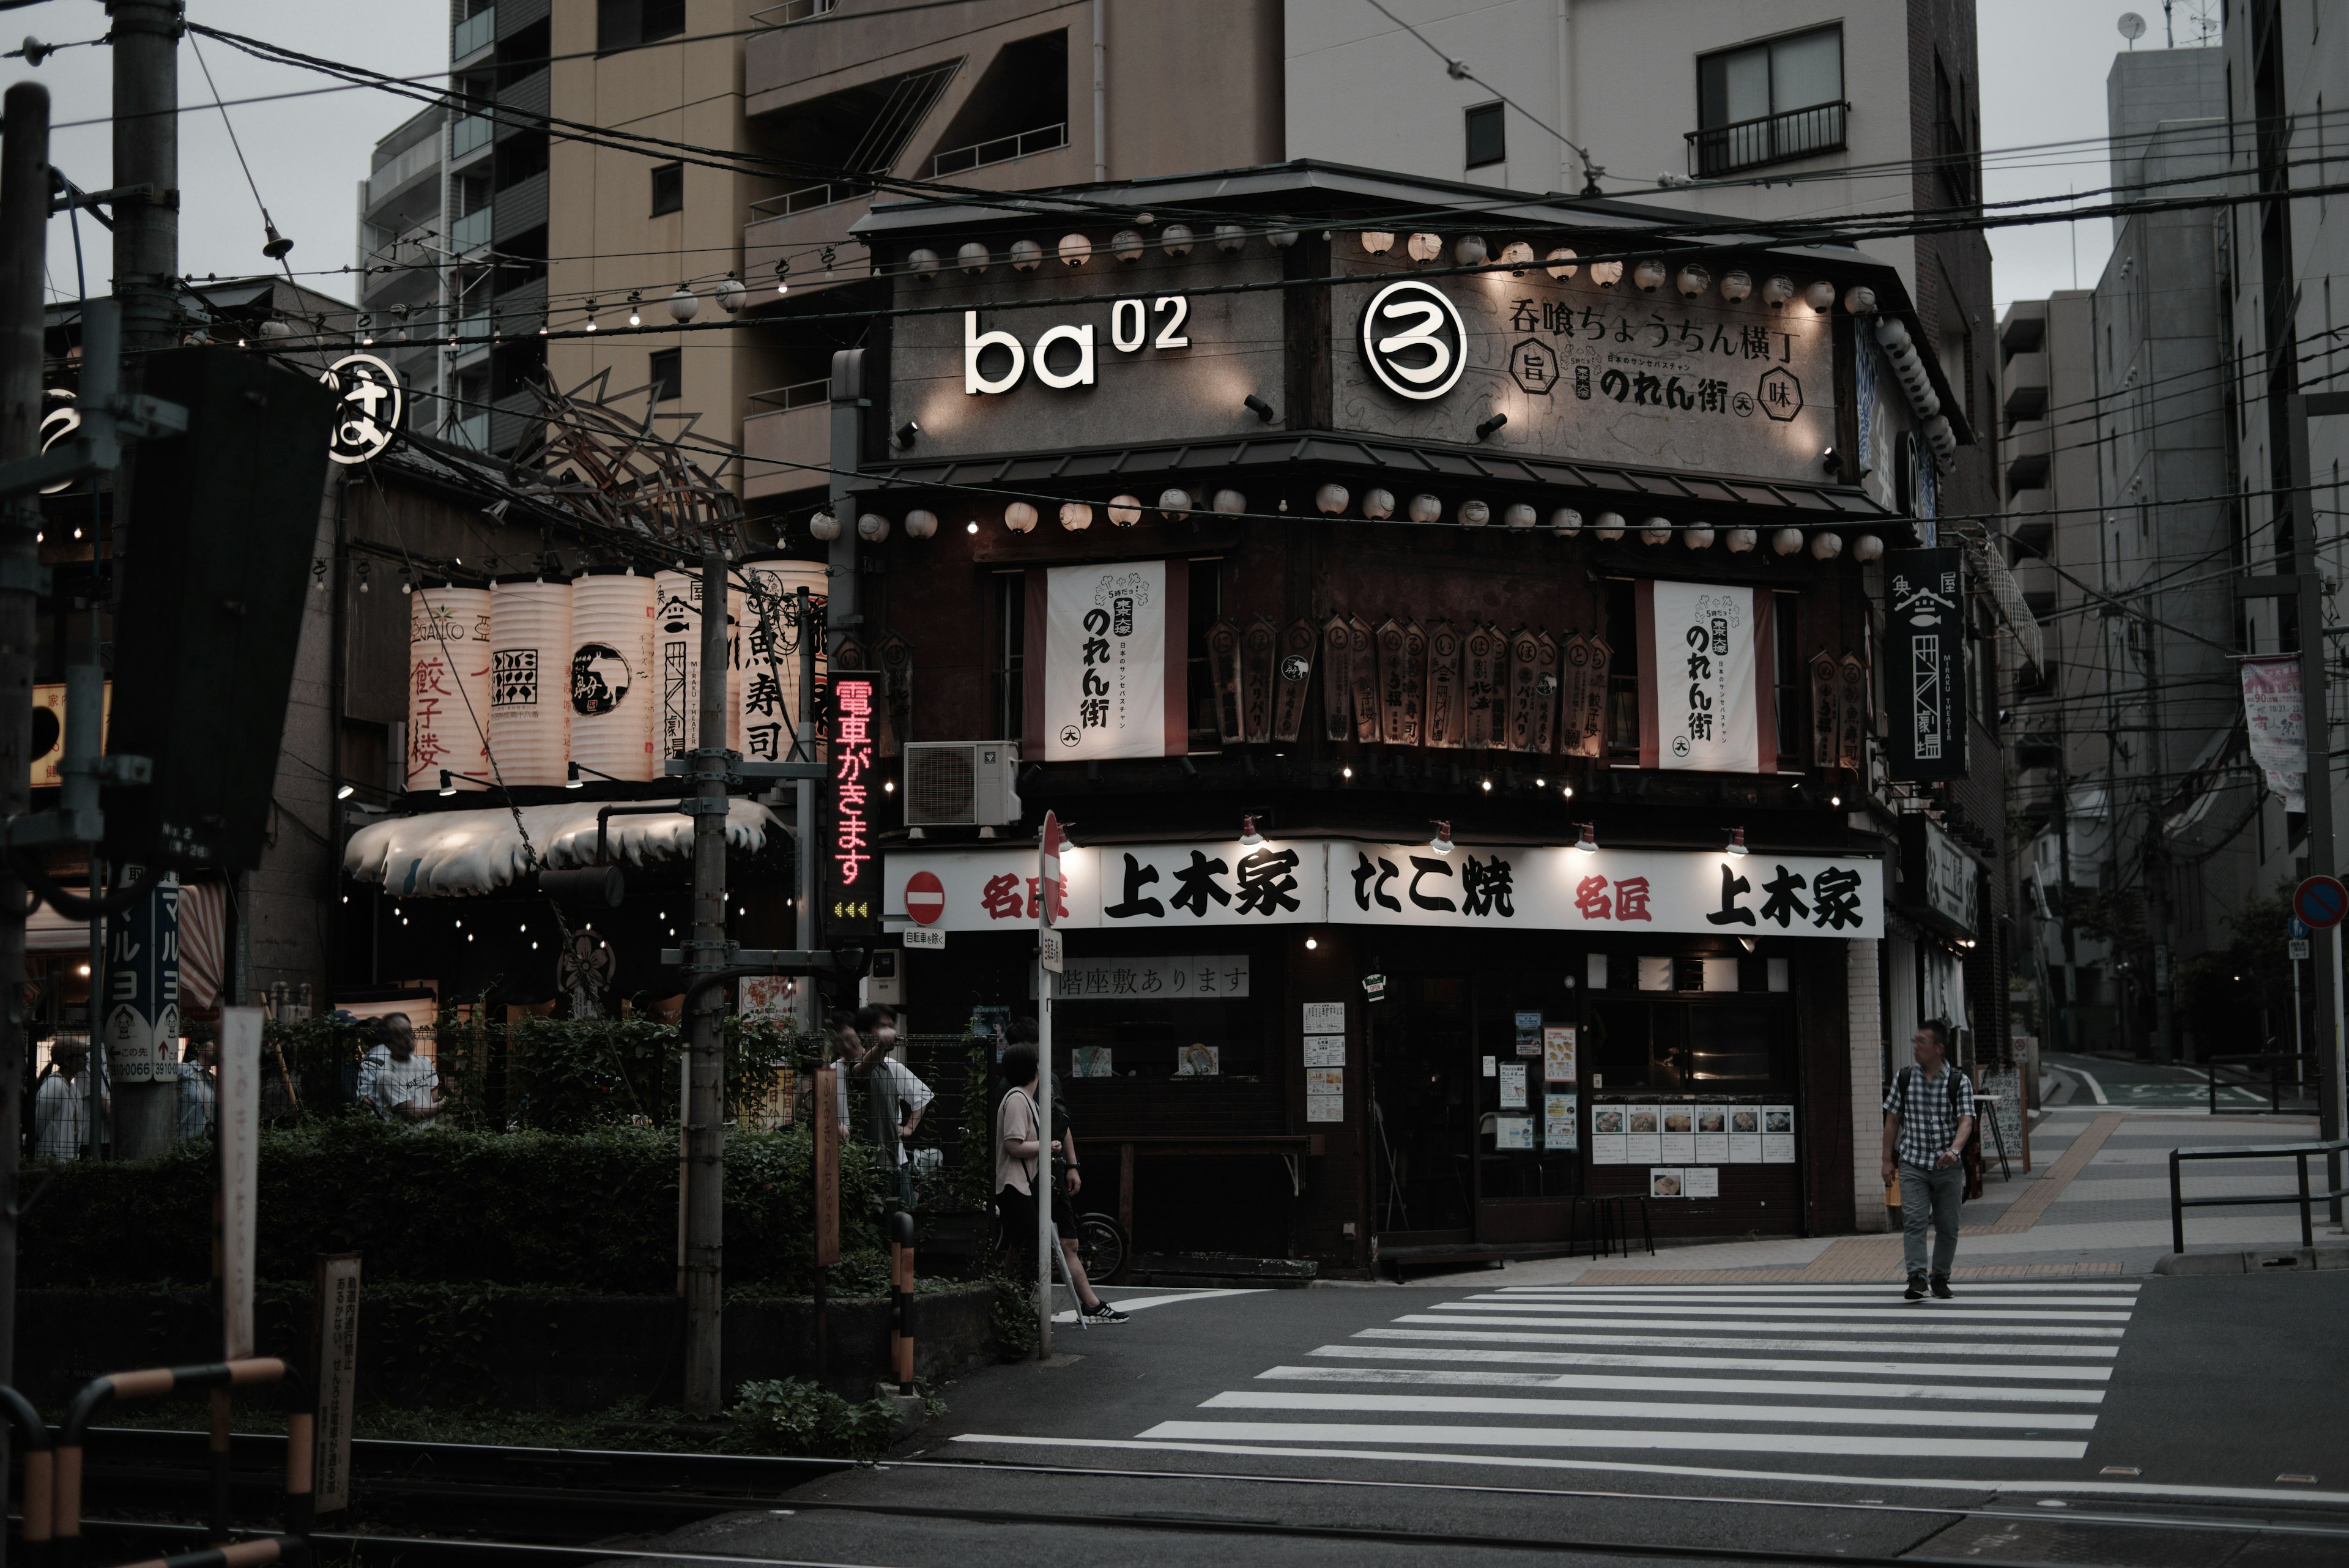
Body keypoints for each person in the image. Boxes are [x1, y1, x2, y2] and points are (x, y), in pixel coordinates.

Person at [997, 1022, 1126, 1323]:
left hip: (1050, 1171)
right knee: (1029, 1243)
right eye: (1038, 1047)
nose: (1045, 1053)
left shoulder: (1048, 1082)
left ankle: (1089, 1305)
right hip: (1026, 1178)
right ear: (1028, 1053)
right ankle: (1012, 1307)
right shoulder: (1013, 1092)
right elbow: (1013, 1144)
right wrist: (1047, 1148)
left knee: (1064, 1241)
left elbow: (1061, 1124)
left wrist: (1072, 1164)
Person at [1881, 1018, 1976, 1301]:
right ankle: (1917, 1277)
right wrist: (1887, 1160)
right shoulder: (1904, 1078)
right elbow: (1892, 1120)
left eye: (1921, 1042)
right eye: (1914, 1041)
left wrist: (1955, 1150)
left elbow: (1966, 1121)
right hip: (1913, 1163)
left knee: (1948, 1224)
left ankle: (1940, 1277)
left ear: (1938, 1048)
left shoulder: (1959, 1081)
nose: (1915, 1047)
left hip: (1947, 1166)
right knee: (1915, 1221)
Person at [833, 1005, 934, 1204]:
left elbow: (923, 1094)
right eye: (882, 1027)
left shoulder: (890, 1066)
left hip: (897, 1160)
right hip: (860, 1162)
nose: (889, 1031)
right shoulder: (852, 1068)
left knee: (906, 1219)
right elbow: (863, 1069)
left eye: (890, 1026)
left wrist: (909, 1128)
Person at [356, 1013, 441, 1123]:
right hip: (406, 1133)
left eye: (409, 1032)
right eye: (401, 1035)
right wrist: (443, 1104)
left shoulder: (368, 1065)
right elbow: (414, 1112)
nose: (408, 1038)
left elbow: (365, 1100)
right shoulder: (424, 1062)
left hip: (382, 1125)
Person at [33, 1040, 98, 1161]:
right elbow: (37, 1125)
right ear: (68, 1061)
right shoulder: (54, 1086)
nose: (86, 1060)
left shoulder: (72, 1088)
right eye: (82, 1056)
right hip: (51, 1158)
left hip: (66, 1158)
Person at [176, 1035, 218, 1143]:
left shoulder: (215, 1082)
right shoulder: (184, 1070)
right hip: (183, 1146)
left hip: (204, 1149)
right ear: (199, 1048)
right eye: (215, 1043)